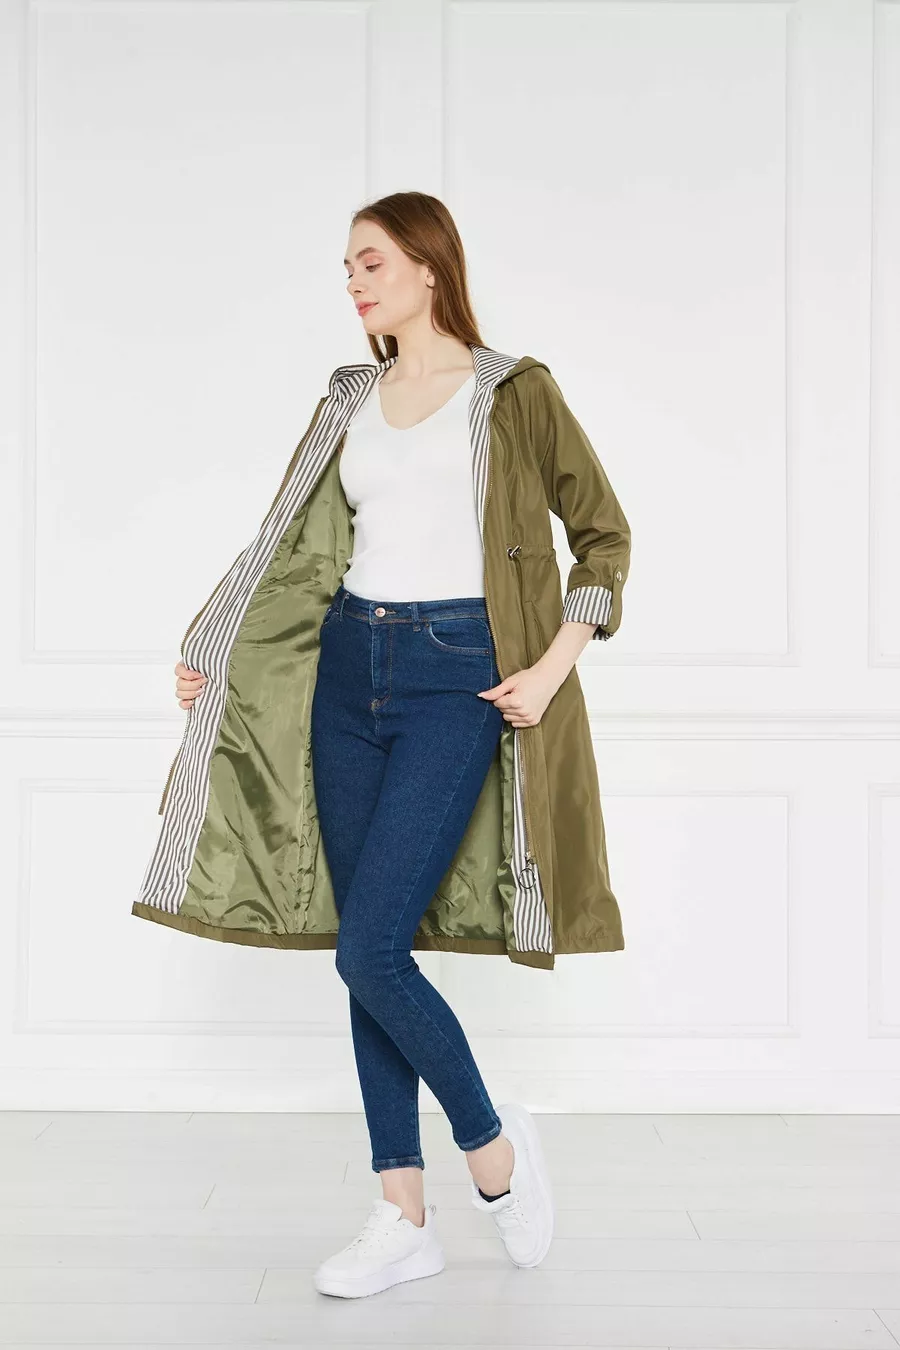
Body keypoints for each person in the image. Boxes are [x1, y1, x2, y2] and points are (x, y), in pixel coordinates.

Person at [171, 191, 628, 1299]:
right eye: (346, 267)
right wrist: (215, 648)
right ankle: (402, 1214)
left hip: (456, 672)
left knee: (370, 948)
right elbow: (283, 540)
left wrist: (552, 665)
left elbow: (603, 535)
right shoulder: (347, 398)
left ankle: (493, 1150)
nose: (354, 282)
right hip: (346, 669)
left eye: (370, 261)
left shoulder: (513, 391)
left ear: (429, 266)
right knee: (361, 949)